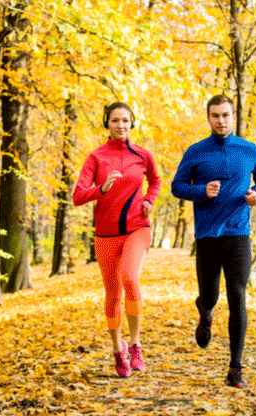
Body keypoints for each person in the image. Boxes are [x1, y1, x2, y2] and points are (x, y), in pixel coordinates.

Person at [171, 94, 256, 388]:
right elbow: (178, 186)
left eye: (226, 115)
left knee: (238, 297)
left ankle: (236, 367)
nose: (221, 121)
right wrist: (202, 191)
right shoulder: (196, 151)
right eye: (215, 116)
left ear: (233, 117)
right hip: (207, 235)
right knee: (211, 296)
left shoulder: (249, 149)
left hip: (238, 233)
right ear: (209, 118)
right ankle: (205, 312)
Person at [73, 101, 161, 378]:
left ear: (132, 123)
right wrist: (102, 188)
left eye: (125, 120)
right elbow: (77, 196)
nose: (120, 125)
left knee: (130, 278)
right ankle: (117, 350)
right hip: (106, 235)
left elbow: (156, 181)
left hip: (137, 227)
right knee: (112, 295)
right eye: (115, 120)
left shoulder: (142, 155)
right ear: (107, 123)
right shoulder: (96, 158)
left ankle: (135, 344)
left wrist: (148, 199)